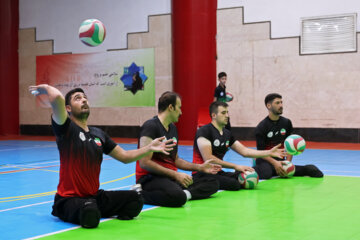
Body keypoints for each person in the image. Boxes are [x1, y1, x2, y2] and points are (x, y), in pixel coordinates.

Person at [28, 84, 175, 228]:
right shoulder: (65, 129)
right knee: (90, 213)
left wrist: (149, 148)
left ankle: (93, 209)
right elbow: (57, 98)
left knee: (135, 199)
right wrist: (45, 88)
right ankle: (87, 210)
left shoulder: (99, 134)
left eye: (85, 98)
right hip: (68, 199)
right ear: (68, 108)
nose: (84, 100)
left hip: (94, 196)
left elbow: (124, 156)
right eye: (78, 99)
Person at [135, 91, 222, 207]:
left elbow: (176, 160)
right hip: (150, 178)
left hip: (169, 177)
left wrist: (200, 167)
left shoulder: (173, 129)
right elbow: (144, 163)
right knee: (177, 197)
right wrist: (175, 175)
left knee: (213, 183)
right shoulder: (150, 126)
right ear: (171, 107)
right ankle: (139, 194)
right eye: (179, 108)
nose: (181, 112)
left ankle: (185, 194)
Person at [193, 101, 285, 190]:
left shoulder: (227, 134)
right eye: (223, 113)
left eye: (227, 113)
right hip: (202, 173)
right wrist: (235, 166)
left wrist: (269, 152)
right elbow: (209, 159)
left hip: (217, 172)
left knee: (247, 175)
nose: (227, 116)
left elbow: (245, 151)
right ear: (214, 115)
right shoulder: (204, 131)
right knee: (234, 184)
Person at [254, 93, 324, 179]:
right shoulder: (261, 127)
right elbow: (260, 152)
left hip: (280, 160)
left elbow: (290, 145)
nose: (281, 105)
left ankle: (282, 170)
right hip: (265, 161)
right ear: (269, 106)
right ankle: (249, 170)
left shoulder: (286, 123)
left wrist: (288, 163)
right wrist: (275, 163)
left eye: (281, 102)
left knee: (313, 171)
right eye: (277, 103)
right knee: (266, 173)